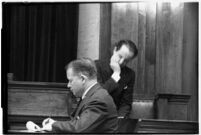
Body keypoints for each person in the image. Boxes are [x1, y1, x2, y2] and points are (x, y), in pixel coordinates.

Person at [42, 58, 118, 133]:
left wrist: (53, 125)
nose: (68, 85)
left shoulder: (99, 99)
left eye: (70, 80)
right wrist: (55, 123)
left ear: (82, 79)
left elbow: (79, 129)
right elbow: (78, 124)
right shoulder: (93, 95)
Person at [95, 39, 138, 118]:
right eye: (120, 56)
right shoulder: (96, 66)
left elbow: (126, 103)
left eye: (126, 61)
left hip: (115, 119)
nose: (121, 62)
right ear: (115, 50)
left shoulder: (130, 74)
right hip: (94, 115)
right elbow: (97, 95)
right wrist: (116, 74)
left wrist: (120, 119)